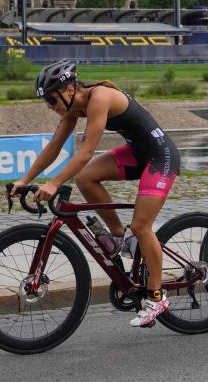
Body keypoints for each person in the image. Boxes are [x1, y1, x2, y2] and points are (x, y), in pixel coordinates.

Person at [11, 59, 181, 328]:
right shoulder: (72, 109)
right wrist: (24, 180)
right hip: (138, 154)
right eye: (47, 103)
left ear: (68, 90)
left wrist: (54, 183)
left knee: (141, 225)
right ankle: (118, 236)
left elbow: (86, 151)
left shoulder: (99, 97)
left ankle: (157, 297)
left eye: (52, 100)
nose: (50, 107)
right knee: (85, 177)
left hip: (161, 156)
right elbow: (54, 147)